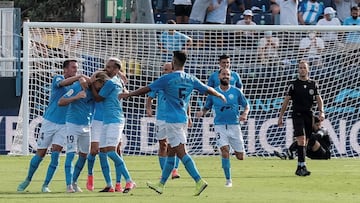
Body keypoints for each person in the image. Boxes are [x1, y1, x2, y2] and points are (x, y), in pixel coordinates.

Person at [119, 51, 226, 196]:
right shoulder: (190, 78)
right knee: (171, 153)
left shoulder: (167, 78)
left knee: (182, 153)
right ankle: (161, 184)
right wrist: (219, 94)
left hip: (171, 120)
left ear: (174, 62)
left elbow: (147, 89)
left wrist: (129, 94)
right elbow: (208, 89)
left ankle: (199, 180)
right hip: (182, 119)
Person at [17, 59, 82, 192]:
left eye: (77, 68)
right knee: (40, 153)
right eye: (73, 67)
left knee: (56, 154)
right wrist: (79, 77)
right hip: (49, 122)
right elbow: (63, 83)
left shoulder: (77, 85)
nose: (76, 70)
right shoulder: (58, 78)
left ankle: (45, 185)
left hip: (64, 125)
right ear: (65, 69)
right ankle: (28, 179)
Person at [196, 68, 250, 188]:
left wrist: (245, 114)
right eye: (223, 74)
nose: (226, 76)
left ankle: (231, 150)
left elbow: (247, 106)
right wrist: (202, 112)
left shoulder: (236, 92)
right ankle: (228, 180)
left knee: (240, 157)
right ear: (219, 77)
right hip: (220, 126)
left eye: (228, 75)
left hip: (235, 126)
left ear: (230, 77)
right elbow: (207, 106)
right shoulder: (213, 92)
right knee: (224, 151)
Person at [88, 58, 133, 193]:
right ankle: (109, 185)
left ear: (116, 69)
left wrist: (91, 85)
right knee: (103, 151)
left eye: (109, 67)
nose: (106, 69)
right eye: (106, 67)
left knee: (111, 151)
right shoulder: (117, 80)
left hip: (114, 120)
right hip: (108, 120)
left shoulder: (110, 83)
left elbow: (98, 98)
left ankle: (129, 180)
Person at [277, 60, 325, 177]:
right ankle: (302, 166)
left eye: (304, 67)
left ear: (308, 70)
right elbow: (286, 101)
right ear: (298, 70)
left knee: (306, 141)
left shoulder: (313, 84)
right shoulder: (293, 84)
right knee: (301, 139)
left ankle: (300, 167)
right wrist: (281, 116)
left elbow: (319, 99)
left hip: (309, 115)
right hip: (297, 114)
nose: (302, 69)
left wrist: (321, 112)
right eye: (300, 67)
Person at [58, 75, 94, 193]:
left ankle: (74, 181)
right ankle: (69, 185)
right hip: (72, 124)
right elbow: (61, 101)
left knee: (84, 155)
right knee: (71, 153)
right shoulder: (76, 86)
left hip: (87, 125)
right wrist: (76, 97)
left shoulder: (95, 90)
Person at [146, 62, 182, 179]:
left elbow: (185, 101)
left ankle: (175, 170)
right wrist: (148, 108)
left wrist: (189, 116)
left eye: (166, 70)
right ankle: (165, 172)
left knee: (175, 144)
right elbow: (150, 97)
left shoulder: (178, 83)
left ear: (172, 70)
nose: (164, 72)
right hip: (161, 118)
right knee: (163, 145)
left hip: (175, 118)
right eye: (163, 70)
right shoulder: (160, 82)